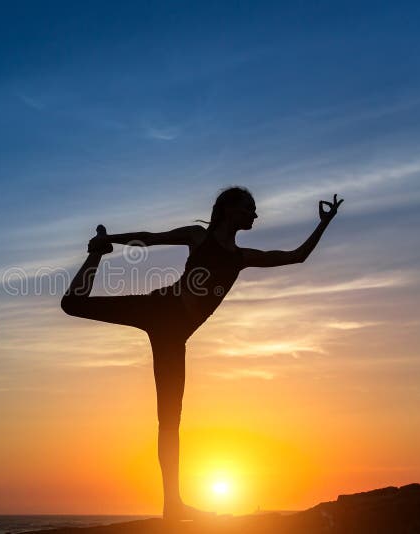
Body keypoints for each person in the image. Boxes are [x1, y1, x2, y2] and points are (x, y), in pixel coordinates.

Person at [60, 186, 343, 520]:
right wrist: (108, 242)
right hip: (158, 308)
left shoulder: (241, 258)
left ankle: (172, 505)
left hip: (174, 337)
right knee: (73, 304)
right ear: (228, 210)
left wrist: (325, 222)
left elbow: (295, 256)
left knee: (169, 421)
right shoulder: (198, 237)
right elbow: (150, 238)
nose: (255, 214)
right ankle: (95, 255)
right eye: (249, 208)